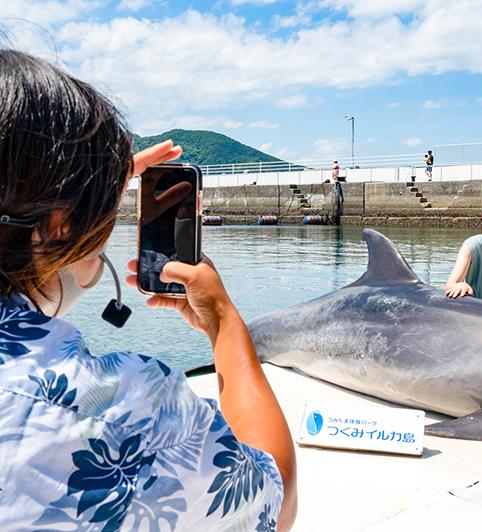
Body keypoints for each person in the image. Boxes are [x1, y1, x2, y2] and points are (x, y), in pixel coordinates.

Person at [0, 50, 296, 530]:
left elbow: (29, 283)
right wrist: (221, 322)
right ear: (60, 225)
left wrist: (79, 202)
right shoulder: (121, 411)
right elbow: (274, 498)